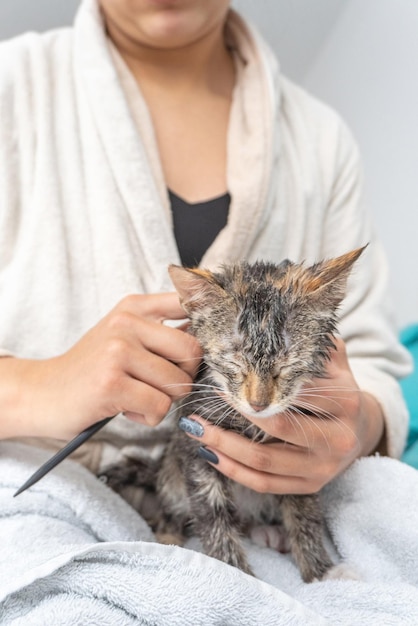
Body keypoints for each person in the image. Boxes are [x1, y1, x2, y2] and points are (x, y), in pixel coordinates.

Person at [0, 0, 411, 511]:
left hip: (262, 504)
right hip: (41, 495)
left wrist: (359, 424)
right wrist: (37, 385)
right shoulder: (11, 88)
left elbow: (373, 364)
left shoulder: (322, 143)